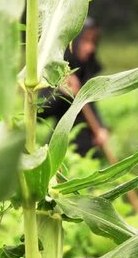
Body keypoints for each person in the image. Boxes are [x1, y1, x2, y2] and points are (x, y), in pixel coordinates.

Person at [39, 18, 109, 157]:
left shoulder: (85, 70)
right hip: (63, 148)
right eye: (86, 41)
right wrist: (61, 92)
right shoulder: (57, 71)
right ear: (74, 43)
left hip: (88, 149)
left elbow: (90, 104)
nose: (90, 48)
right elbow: (40, 112)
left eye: (93, 42)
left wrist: (101, 128)